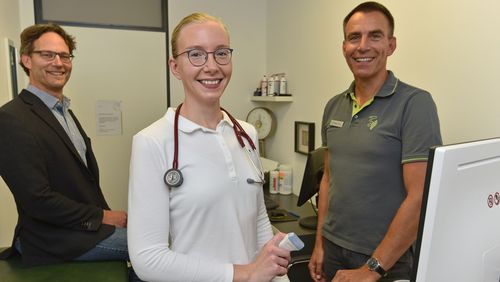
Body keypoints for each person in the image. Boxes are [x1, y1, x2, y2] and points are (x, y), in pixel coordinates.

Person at [127, 13, 291, 282]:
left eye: (221, 53)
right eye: (196, 54)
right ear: (175, 66)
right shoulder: (152, 142)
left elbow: (259, 221)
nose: (212, 66)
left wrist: (276, 276)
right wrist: (245, 274)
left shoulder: (246, 134)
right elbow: (148, 258)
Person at [308, 2, 442, 282]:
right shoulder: (334, 106)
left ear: (391, 45)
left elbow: (420, 197)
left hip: (385, 259)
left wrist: (372, 269)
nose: (363, 46)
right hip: (332, 248)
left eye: (375, 36)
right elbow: (328, 179)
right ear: (344, 46)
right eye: (354, 37)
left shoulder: (414, 104)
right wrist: (320, 242)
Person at [0, 23, 128, 267]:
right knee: (153, 247)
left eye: (65, 56)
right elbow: (36, 199)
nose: (59, 63)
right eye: (47, 55)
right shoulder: (10, 118)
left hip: (81, 231)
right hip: (51, 240)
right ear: (26, 59)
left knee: (154, 245)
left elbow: (82, 180)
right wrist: (102, 217)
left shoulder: (63, 111)